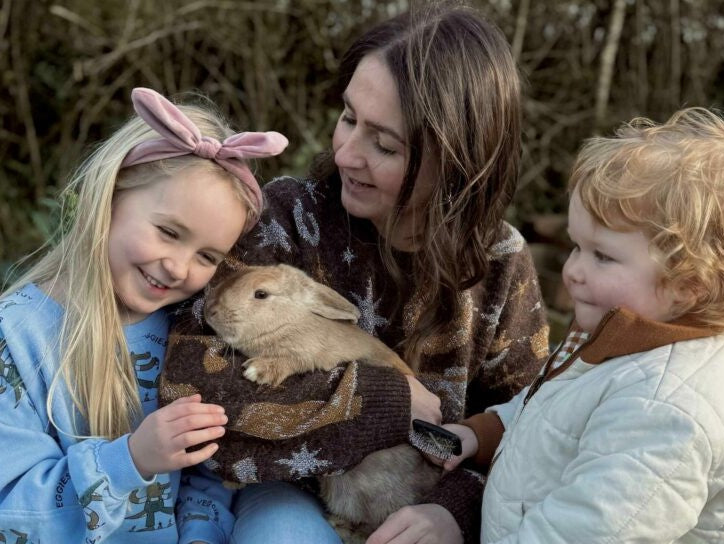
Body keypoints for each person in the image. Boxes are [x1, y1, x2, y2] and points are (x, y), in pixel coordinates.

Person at [161, 3, 550, 544]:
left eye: (384, 145)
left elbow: (539, 423)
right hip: (288, 492)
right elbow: (187, 381)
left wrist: (457, 509)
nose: (345, 153)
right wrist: (374, 400)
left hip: (423, 505)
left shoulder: (499, 260)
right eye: (348, 118)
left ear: (458, 162)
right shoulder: (286, 220)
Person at [435, 107, 724, 542]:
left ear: (688, 285)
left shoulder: (665, 413)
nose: (573, 270)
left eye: (602, 256)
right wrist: (483, 434)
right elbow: (550, 411)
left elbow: (587, 532)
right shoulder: (621, 335)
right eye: (576, 246)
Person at [0, 87, 287, 543]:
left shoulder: (191, 336)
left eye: (207, 256)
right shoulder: (17, 338)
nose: (177, 267)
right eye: (168, 232)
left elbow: (208, 474)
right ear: (110, 197)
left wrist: (199, 535)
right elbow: (11, 508)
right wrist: (129, 459)